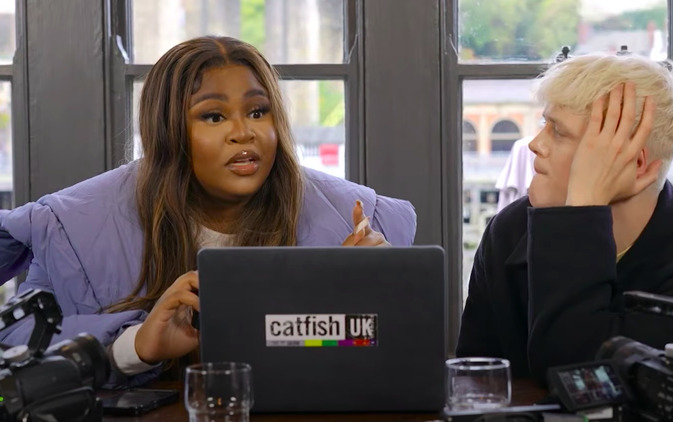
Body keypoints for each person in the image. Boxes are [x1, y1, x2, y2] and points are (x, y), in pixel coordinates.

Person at [0, 36, 416, 387]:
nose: (243, 132)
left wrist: (369, 297)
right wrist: (137, 346)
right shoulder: (73, 227)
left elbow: (398, 368)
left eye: (258, 111)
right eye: (213, 116)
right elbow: (24, 349)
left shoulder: (353, 219)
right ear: (167, 131)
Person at [456, 53, 673, 382]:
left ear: (637, 165)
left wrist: (582, 210)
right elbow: (474, 382)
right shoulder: (510, 231)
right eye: (545, 124)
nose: (534, 145)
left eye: (559, 133)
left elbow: (580, 376)